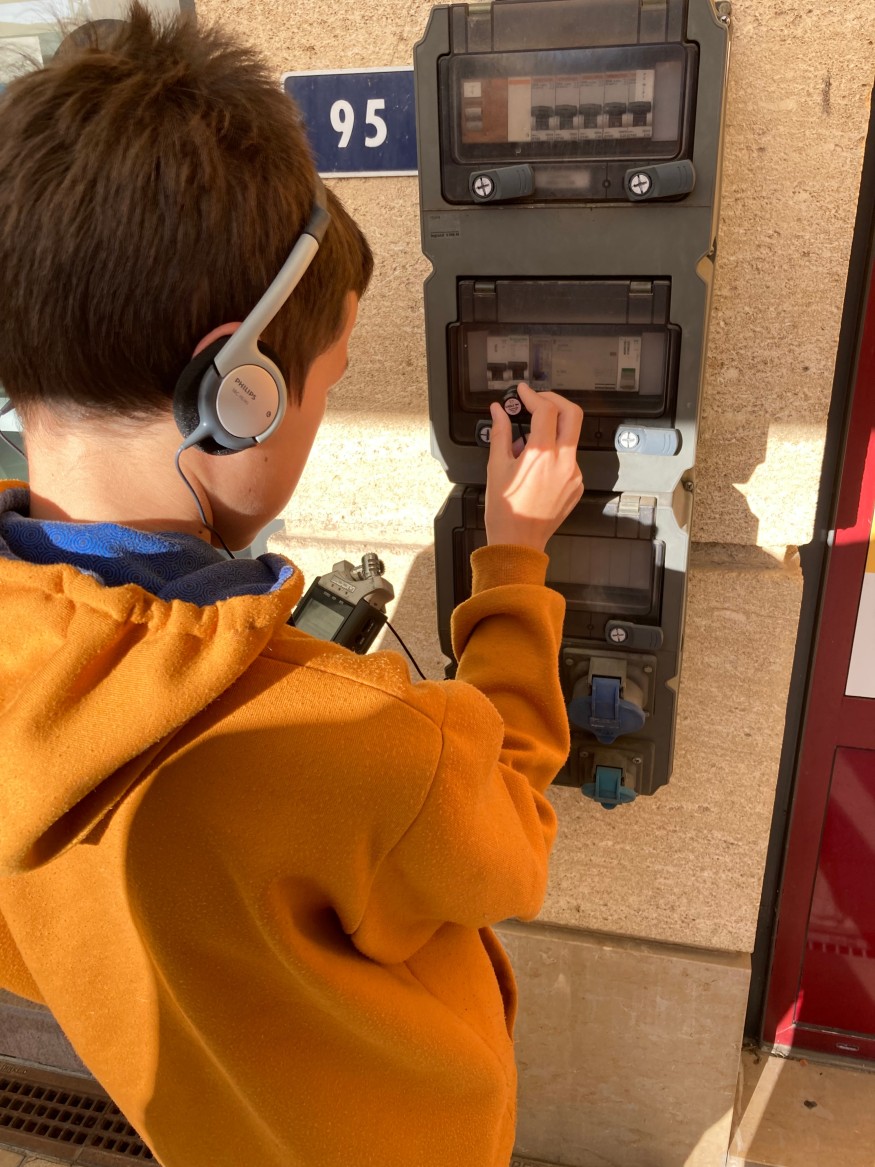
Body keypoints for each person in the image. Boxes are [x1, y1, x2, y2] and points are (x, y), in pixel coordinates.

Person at [0, 6, 583, 1167]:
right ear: (242, 391)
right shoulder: (356, 738)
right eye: (328, 383)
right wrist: (515, 558)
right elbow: (511, 828)